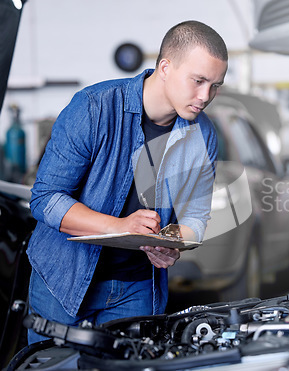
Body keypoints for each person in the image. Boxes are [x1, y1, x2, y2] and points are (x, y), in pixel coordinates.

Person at [26, 20, 228, 344]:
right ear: (165, 67)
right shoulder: (94, 107)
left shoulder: (203, 135)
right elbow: (46, 199)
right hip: (61, 281)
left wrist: (171, 242)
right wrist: (120, 227)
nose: (206, 96)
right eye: (198, 80)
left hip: (137, 290)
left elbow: (195, 218)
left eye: (215, 85)